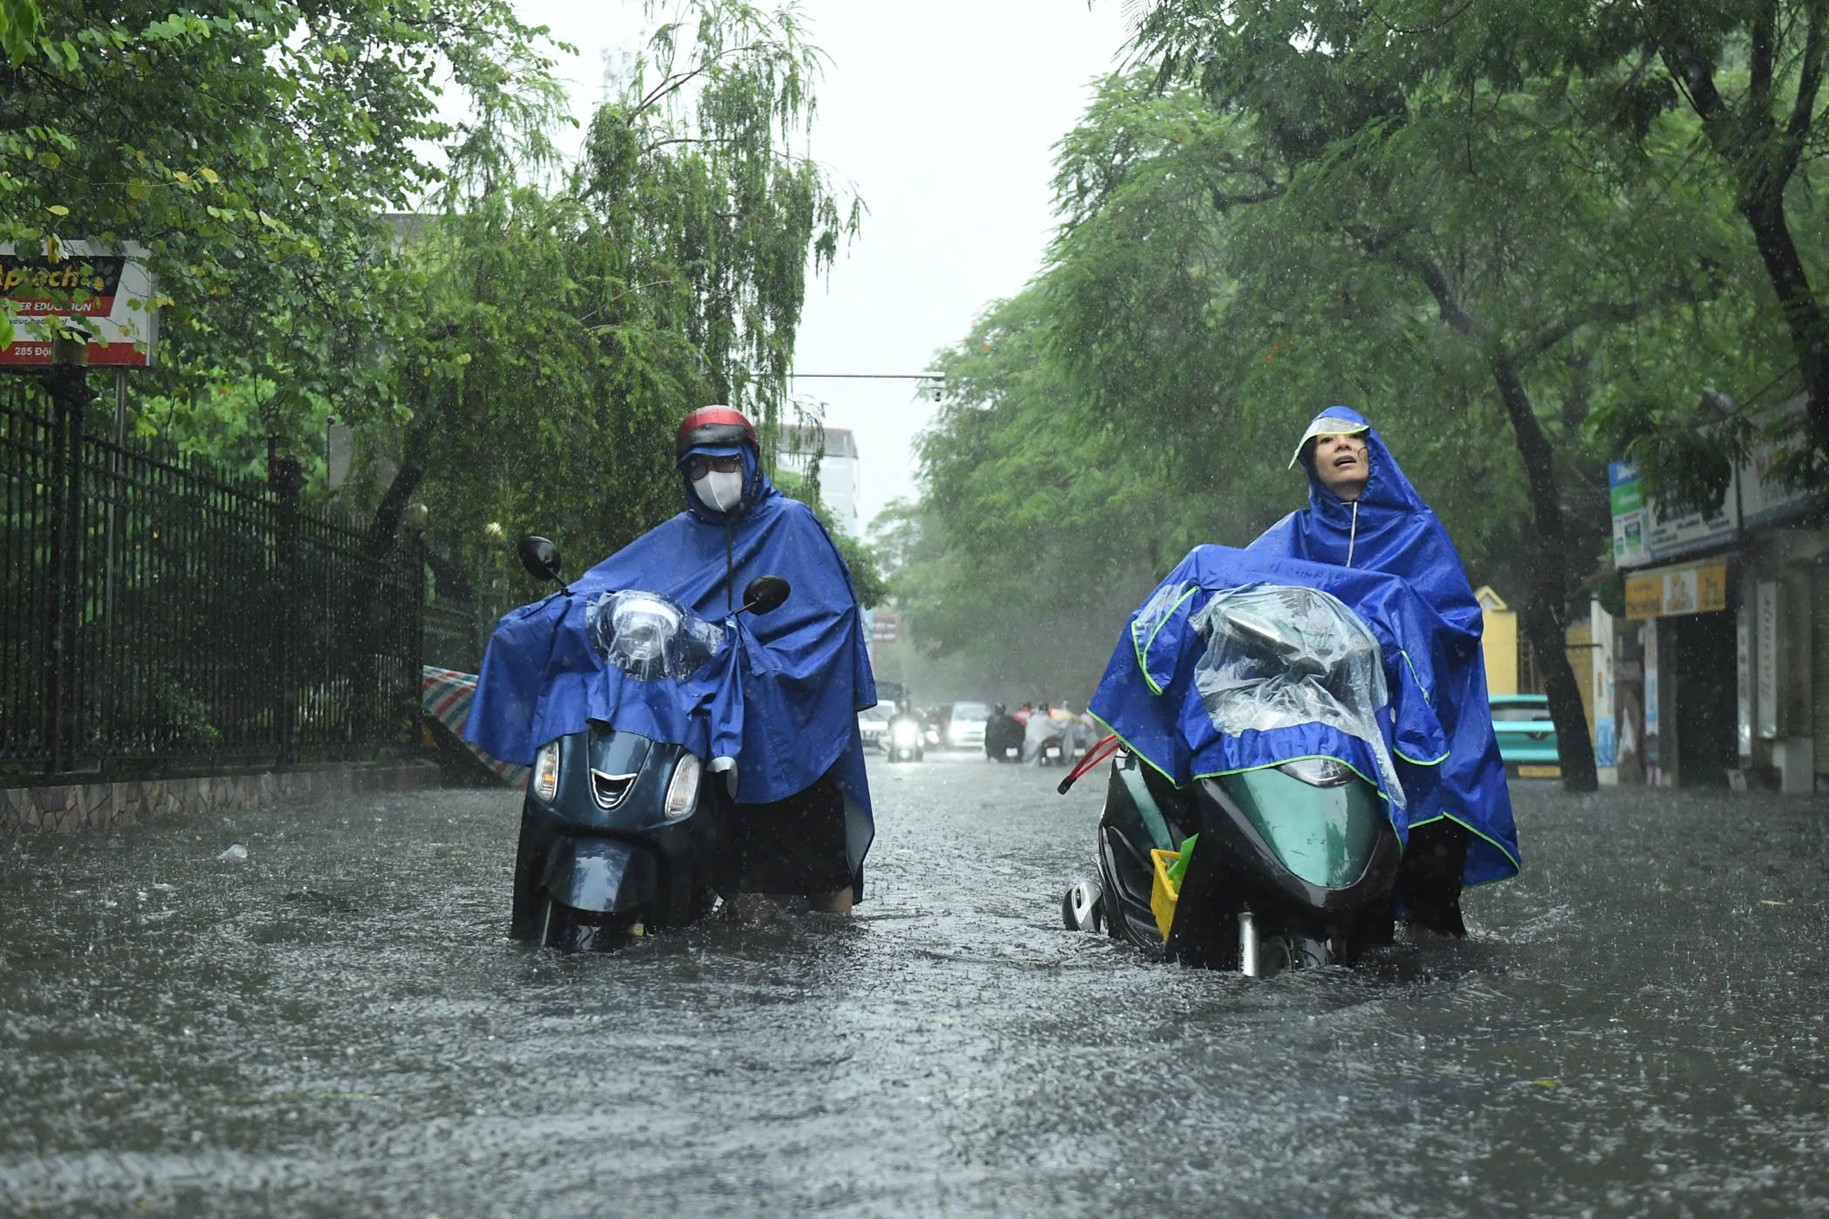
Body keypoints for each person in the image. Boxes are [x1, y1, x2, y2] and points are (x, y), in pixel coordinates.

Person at [471, 405, 875, 914]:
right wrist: (546, 617)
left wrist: (756, 661)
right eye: (698, 467)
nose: (713, 478)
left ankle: (833, 945)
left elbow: (830, 625)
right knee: (740, 883)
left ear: (750, 461)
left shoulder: (792, 525)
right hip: (712, 725)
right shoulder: (678, 537)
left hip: (788, 723)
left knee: (817, 861)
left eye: (725, 464)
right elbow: (606, 590)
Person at [1248, 407, 1520, 936]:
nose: (1344, 446)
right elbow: (1242, 592)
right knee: (1352, 909)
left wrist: (1394, 624)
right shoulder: (1292, 538)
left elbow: (1460, 622)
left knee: (1433, 911)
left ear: (1373, 455)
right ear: (1310, 462)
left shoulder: (1418, 532)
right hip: (1332, 742)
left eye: (1355, 439)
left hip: (1417, 743)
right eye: (1328, 441)